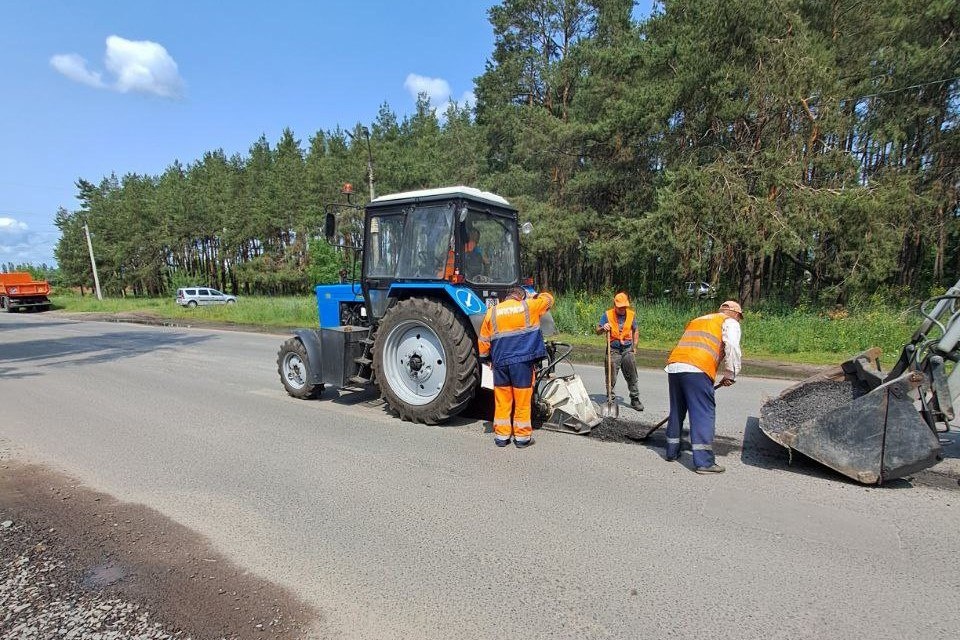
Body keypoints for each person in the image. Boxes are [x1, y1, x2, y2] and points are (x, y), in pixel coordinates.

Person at [663, 300, 743, 474]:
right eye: (739, 317)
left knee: (677, 410)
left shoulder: (700, 319)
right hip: (698, 368)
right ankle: (704, 462)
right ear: (736, 314)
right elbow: (732, 347)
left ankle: (671, 451)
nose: (739, 320)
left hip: (675, 366)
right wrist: (731, 374)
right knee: (702, 413)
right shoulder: (730, 322)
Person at [478, 287, 555, 448]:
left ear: (507, 297)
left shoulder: (492, 311)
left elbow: (484, 340)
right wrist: (535, 296)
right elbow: (549, 299)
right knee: (522, 400)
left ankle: (501, 436)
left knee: (502, 399)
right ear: (521, 296)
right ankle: (521, 438)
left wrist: (486, 358)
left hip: (500, 362)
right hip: (522, 362)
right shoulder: (528, 306)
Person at [595, 292, 644, 411]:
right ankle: (610, 399)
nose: (623, 309)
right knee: (610, 377)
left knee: (632, 376)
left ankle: (635, 399)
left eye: (624, 307)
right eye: (620, 307)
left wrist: (635, 346)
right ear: (615, 305)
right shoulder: (607, 315)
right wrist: (603, 328)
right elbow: (597, 330)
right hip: (613, 350)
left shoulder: (631, 315)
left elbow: (635, 330)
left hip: (627, 349)